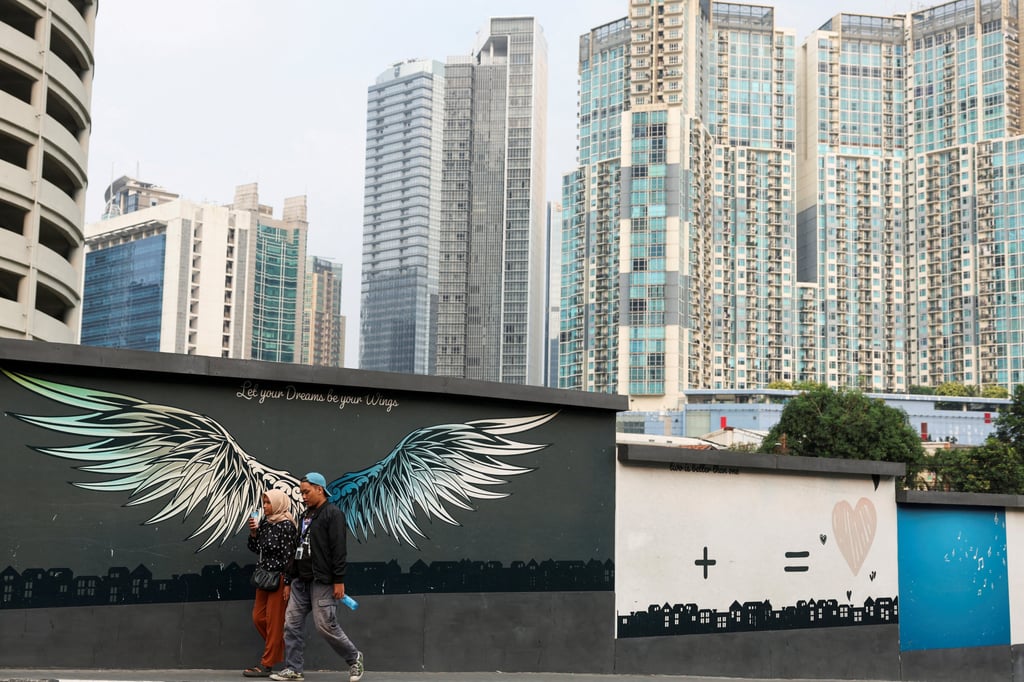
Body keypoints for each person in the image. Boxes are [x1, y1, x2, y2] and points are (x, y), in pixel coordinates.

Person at [270, 473, 364, 682]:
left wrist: (338, 580)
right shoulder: (305, 516)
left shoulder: (333, 514)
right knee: (291, 625)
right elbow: (297, 549)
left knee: (325, 625)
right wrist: (289, 580)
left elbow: (338, 550)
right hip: (300, 581)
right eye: (301, 492)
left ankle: (354, 657)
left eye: (306, 491)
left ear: (319, 489)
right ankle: (294, 669)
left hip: (323, 581)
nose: (303, 496)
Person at [244, 489, 298, 678]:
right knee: (258, 617)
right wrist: (253, 532)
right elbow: (257, 548)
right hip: (264, 577)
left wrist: (288, 582)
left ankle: (267, 665)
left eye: (268, 503)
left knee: (275, 623)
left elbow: (290, 556)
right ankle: (279, 648)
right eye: (264, 503)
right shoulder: (266, 523)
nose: (265, 506)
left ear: (278, 503)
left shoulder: (286, 525)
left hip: (279, 578)